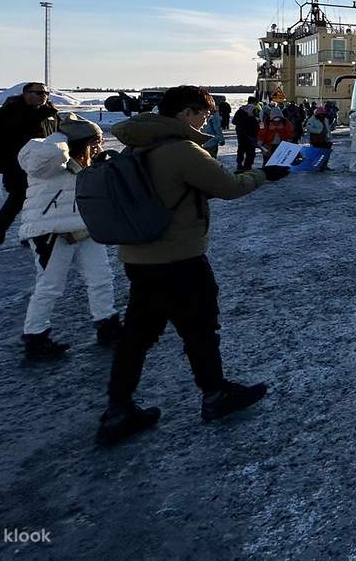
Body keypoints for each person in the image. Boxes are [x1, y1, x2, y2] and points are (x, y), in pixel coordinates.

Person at [96, 85, 290, 446]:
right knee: (200, 329)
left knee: (137, 336)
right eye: (204, 113)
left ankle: (118, 408)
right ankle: (215, 394)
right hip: (179, 257)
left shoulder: (137, 145)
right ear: (186, 113)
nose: (207, 119)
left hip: (139, 256)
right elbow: (228, 186)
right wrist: (265, 174)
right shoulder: (182, 150)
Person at [17, 114, 120, 359]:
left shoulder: (86, 162)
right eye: (95, 141)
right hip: (52, 233)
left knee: (101, 278)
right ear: (80, 142)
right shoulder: (49, 160)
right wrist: (61, 137)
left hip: (85, 229)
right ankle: (35, 335)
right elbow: (51, 156)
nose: (100, 145)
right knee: (50, 285)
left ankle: (107, 324)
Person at [0, 82, 59, 245]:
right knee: (19, 197)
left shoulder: (50, 113)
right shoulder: (7, 112)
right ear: (26, 94)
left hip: (41, 163)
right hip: (13, 163)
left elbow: (59, 134)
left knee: (39, 199)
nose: (43, 96)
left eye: (46, 93)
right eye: (38, 93)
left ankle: (29, 234)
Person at [232, 98, 261, 171]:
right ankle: (247, 166)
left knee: (241, 150)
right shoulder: (254, 111)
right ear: (253, 102)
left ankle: (240, 165)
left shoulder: (240, 111)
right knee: (250, 151)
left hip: (241, 134)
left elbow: (234, 121)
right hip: (251, 134)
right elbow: (256, 123)